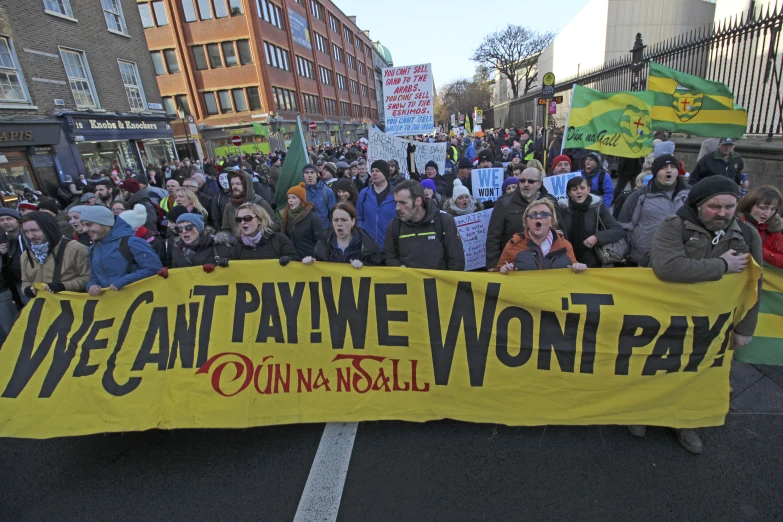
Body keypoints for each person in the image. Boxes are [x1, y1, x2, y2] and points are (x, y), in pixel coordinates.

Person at [646, 176, 763, 455]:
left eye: (729, 206)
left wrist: (746, 328)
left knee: (699, 373)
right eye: (714, 206)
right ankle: (644, 414)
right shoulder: (673, 228)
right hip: (667, 319)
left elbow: (754, 284)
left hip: (714, 324)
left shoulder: (748, 235)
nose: (722, 213)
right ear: (698, 205)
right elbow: (668, 267)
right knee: (653, 368)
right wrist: (721, 265)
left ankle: (686, 422)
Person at [618, 154, 690, 266]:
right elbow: (624, 226)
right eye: (663, 168)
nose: (669, 171)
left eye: (673, 167)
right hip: (642, 258)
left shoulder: (690, 194)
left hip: (678, 257)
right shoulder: (639, 196)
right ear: (655, 172)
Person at [485, 167, 559, 270]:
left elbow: (560, 232)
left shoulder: (550, 202)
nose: (526, 184)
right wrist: (492, 265)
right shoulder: (504, 203)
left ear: (539, 184)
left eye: (531, 181)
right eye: (522, 180)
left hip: (546, 265)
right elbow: (494, 235)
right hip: (513, 265)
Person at [81, 205, 162, 296]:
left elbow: (153, 268)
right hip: (111, 305)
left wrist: (122, 281)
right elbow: (94, 277)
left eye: (89, 224)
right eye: (83, 225)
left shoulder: (131, 242)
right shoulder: (93, 249)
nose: (84, 230)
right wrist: (91, 286)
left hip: (138, 301)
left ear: (106, 224)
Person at [383, 180, 465, 270]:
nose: (397, 207)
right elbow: (389, 257)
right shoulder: (394, 225)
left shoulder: (444, 221)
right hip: (410, 282)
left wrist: (447, 282)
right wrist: (399, 267)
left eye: (403, 203)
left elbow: (457, 260)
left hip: (439, 283)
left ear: (418, 201)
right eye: (396, 202)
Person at [494, 199, 586, 273]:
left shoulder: (565, 245)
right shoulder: (513, 245)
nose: (538, 217)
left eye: (544, 214)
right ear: (526, 221)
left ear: (552, 221)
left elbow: (574, 270)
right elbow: (497, 275)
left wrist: (578, 267)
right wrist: (502, 270)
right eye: (533, 214)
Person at [558, 176, 625, 267]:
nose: (579, 191)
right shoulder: (562, 209)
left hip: (592, 262)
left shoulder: (598, 208)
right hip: (567, 260)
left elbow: (618, 230)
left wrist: (597, 237)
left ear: (588, 189)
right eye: (574, 189)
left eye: (582, 188)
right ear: (569, 193)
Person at [20, 211, 90, 298]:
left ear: (48, 228)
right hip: (44, 306)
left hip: (73, 305)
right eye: (26, 232)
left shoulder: (75, 249)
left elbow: (88, 277)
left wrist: (64, 286)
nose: (30, 236)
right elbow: (26, 281)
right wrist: (26, 289)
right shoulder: (26, 255)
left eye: (35, 230)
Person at [304, 202, 382, 268]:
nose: (339, 224)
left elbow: (378, 271)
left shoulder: (367, 245)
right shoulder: (323, 242)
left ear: (353, 221)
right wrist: (310, 263)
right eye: (335, 220)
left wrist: (364, 266)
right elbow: (319, 267)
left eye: (344, 220)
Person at [158, 213, 231, 273]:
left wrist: (217, 266)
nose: (184, 231)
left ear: (199, 228)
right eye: (179, 229)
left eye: (188, 227)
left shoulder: (217, 245)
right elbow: (174, 270)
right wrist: (168, 272)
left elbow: (230, 273)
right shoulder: (176, 248)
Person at [229, 202, 299, 264]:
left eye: (247, 218)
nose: (242, 222)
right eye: (238, 220)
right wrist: (225, 265)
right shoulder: (237, 246)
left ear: (259, 220)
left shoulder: (279, 240)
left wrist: (289, 260)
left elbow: (296, 262)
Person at [737, 185, 783, 268]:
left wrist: (758, 251)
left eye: (773, 209)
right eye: (763, 208)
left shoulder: (774, 230)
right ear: (750, 205)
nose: (767, 214)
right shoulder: (734, 223)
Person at [222, 169, 278, 235]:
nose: (234, 187)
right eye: (232, 184)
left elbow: (275, 225)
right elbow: (226, 229)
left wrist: (259, 236)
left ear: (246, 185)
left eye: (238, 184)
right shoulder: (230, 206)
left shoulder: (260, 203)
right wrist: (233, 241)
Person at [357, 160, 397, 249]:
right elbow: (359, 218)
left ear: (385, 173)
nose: (374, 173)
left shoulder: (396, 194)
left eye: (378, 171)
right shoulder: (364, 194)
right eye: (372, 171)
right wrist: (364, 234)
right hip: (369, 247)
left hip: (390, 248)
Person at [0, 208, 24, 345]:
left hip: (28, 284)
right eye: (2, 220)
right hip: (15, 285)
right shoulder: (3, 238)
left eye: (8, 219)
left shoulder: (27, 236)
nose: (5, 222)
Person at [282, 183, 323, 259]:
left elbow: (321, 242)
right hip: (293, 260)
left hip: (310, 261)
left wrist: (316, 258)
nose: (290, 200)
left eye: (294, 198)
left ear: (302, 201)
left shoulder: (313, 218)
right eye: (289, 198)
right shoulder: (286, 217)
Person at [303, 163, 337, 229]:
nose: (309, 175)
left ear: (317, 175)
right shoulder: (301, 192)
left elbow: (334, 213)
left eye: (312, 172)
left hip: (324, 231)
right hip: (306, 232)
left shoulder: (327, 192)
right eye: (307, 173)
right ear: (303, 176)